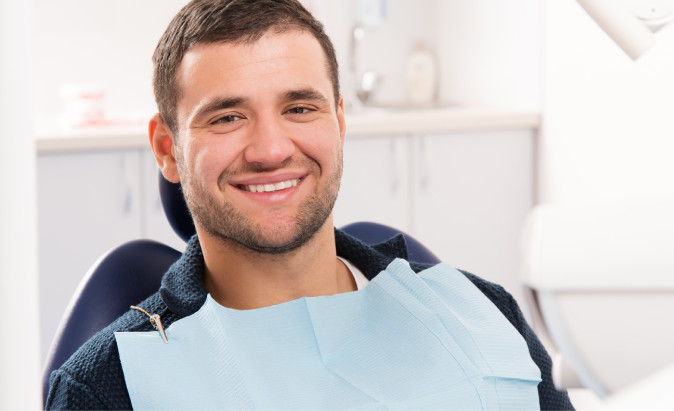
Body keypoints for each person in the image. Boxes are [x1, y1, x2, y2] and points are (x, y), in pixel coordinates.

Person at [46, 0, 574, 409]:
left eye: (299, 107)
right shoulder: (103, 388)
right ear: (167, 148)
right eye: (228, 117)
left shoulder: (482, 309)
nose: (272, 150)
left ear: (340, 123)